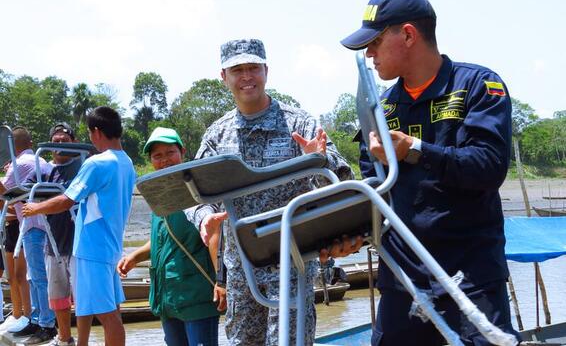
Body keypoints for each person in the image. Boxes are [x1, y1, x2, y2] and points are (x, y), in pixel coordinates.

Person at [328, 0, 522, 345]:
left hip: (472, 278)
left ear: (407, 35)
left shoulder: (477, 86)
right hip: (402, 281)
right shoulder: (380, 109)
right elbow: (374, 193)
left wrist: (416, 150)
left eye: (374, 42)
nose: (369, 55)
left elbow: (489, 167)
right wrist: (344, 233)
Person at [187, 38, 353, 346]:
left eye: (253, 68)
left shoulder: (299, 123)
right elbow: (193, 195)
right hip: (240, 273)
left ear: (266, 71)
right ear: (224, 77)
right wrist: (204, 218)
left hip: (293, 264)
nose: (246, 77)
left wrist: (320, 159)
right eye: (238, 70)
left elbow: (341, 181)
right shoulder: (216, 135)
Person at [22, 107, 136, 346]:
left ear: (96, 132)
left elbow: (66, 200)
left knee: (108, 316)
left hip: (92, 248)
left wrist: (35, 208)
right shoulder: (127, 162)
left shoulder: (97, 163)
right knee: (95, 306)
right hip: (110, 246)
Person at [117, 127, 224, 346]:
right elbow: (161, 240)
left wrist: (222, 281)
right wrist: (135, 256)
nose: (164, 160)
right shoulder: (158, 196)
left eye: (170, 153)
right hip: (167, 296)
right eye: (157, 156)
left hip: (196, 294)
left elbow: (214, 233)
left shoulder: (197, 191)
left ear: (182, 152)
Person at [0, 127, 57, 341]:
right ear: (30, 142)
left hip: (33, 224)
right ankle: (36, 319)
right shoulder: (40, 161)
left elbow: (5, 197)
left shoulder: (20, 164)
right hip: (41, 223)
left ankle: (45, 324)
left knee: (38, 277)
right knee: (35, 276)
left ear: (12, 146)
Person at [36, 123, 81, 346]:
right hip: (53, 241)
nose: (60, 144)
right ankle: (64, 339)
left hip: (80, 242)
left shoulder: (83, 166)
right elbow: (29, 194)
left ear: (74, 142)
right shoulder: (44, 170)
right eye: (56, 141)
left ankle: (84, 340)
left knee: (84, 296)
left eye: (65, 140)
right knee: (57, 296)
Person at [0, 206, 33, 334]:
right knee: (10, 276)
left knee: (20, 276)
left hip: (21, 225)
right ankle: (16, 315)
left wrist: (3, 202)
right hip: (8, 226)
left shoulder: (19, 185)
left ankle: (28, 316)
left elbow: (20, 209)